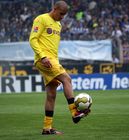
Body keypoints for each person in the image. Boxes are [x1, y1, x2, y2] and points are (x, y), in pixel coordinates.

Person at [29, 0, 90, 135]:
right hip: (44, 59)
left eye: (64, 15)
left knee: (51, 94)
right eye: (61, 14)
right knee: (67, 79)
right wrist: (43, 56)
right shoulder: (41, 19)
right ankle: (75, 112)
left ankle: (47, 128)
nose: (62, 17)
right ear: (55, 9)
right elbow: (32, 39)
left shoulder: (58, 24)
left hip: (52, 60)